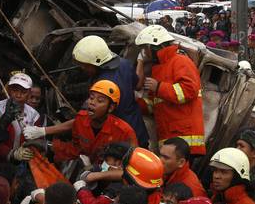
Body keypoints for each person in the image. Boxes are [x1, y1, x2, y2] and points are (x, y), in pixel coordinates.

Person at [40, 35, 149, 146]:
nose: (82, 68)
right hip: (138, 131)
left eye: (85, 65)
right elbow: (139, 85)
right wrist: (140, 61)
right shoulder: (124, 64)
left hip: (120, 141)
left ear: (96, 62)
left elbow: (83, 119)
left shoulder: (103, 86)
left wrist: (45, 130)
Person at [26, 80, 138, 164]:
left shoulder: (124, 132)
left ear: (111, 108)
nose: (92, 103)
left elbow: (132, 165)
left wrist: (99, 171)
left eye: (100, 100)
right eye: (91, 98)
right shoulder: (81, 120)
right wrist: (49, 145)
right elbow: (75, 150)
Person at [135, 25, 206, 156]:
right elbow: (154, 104)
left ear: (154, 46)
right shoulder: (160, 68)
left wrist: (158, 87)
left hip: (185, 140)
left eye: (145, 48)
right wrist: (136, 103)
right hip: (170, 138)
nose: (145, 53)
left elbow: (189, 91)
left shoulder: (180, 61)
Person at [0, 73, 40, 168]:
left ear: (29, 93)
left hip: (20, 167)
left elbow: (36, 142)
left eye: (23, 91)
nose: (18, 95)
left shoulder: (34, 115)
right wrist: (12, 154)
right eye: (15, 90)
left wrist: (29, 151)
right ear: (9, 90)